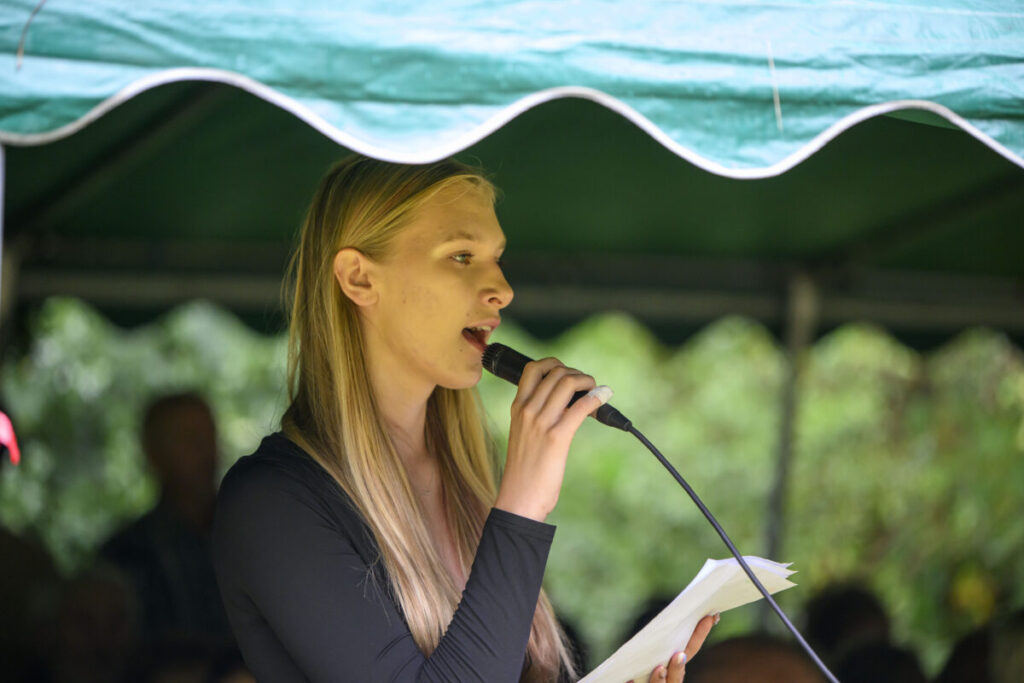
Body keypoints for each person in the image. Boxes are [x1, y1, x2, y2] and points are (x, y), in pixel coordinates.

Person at [212, 155, 715, 682]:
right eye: (460, 256)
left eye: (497, 257)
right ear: (359, 279)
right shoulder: (272, 503)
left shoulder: (467, 471)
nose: (502, 287)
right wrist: (522, 506)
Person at [101, 392, 233, 645]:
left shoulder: (248, 535)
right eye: (190, 440)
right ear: (153, 454)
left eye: (210, 437)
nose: (207, 452)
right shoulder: (126, 552)